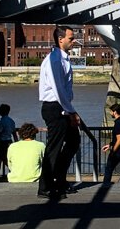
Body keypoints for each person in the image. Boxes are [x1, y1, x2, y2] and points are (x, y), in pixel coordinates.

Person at [38, 26, 81, 199]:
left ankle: (59, 180)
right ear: (60, 39)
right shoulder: (54, 60)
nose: (73, 41)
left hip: (61, 106)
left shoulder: (62, 58)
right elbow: (58, 89)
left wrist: (70, 110)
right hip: (55, 107)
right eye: (71, 38)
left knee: (73, 141)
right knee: (54, 148)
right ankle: (45, 187)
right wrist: (71, 112)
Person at [101, 103, 120, 184]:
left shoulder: (118, 123)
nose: (110, 113)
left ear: (115, 112)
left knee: (109, 168)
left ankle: (105, 185)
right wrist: (109, 145)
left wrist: (113, 151)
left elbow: (119, 140)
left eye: (111, 111)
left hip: (118, 152)